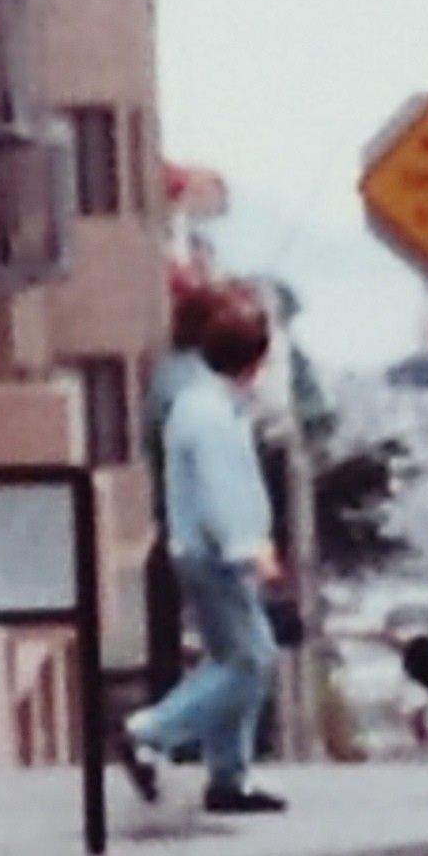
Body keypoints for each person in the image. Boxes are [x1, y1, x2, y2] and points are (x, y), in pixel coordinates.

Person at [117, 286, 288, 815]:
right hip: (214, 554)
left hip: (197, 549)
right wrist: (249, 550)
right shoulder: (210, 415)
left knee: (232, 658)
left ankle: (228, 777)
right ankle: (149, 732)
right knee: (250, 662)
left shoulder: (204, 403)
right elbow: (222, 491)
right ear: (254, 360)